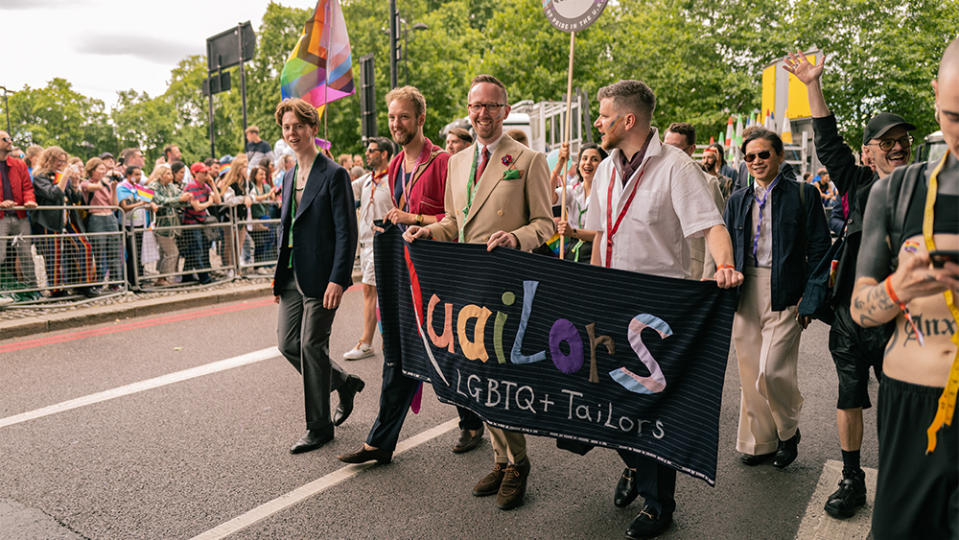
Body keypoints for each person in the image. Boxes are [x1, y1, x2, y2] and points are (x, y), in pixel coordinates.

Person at [583, 80, 743, 539]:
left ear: (627, 120)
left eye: (604, 114)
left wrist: (726, 265)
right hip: (608, 303)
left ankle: (658, 507)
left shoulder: (677, 168)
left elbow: (711, 226)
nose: (598, 122)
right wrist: (591, 288)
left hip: (655, 314)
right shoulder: (606, 170)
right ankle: (633, 463)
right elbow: (599, 236)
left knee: (649, 410)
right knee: (595, 405)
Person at [406, 75, 554, 510]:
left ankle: (519, 464)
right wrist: (427, 230)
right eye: (475, 106)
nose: (482, 113)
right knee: (477, 381)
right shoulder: (456, 162)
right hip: (465, 287)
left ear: (505, 111)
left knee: (501, 380)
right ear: (468, 110)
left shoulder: (528, 160)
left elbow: (545, 223)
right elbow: (455, 222)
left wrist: (516, 238)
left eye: (491, 106)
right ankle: (499, 457)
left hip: (506, 288)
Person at [784, 49, 915, 520]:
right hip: (850, 315)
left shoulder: (926, 187)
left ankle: (906, 478)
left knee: (903, 401)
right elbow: (828, 142)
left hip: (905, 318)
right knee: (849, 396)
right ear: (869, 151)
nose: (897, 146)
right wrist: (811, 86)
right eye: (886, 140)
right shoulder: (857, 182)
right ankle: (852, 479)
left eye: (903, 139)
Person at [337, 85, 487, 467]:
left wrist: (413, 219)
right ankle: (380, 443)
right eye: (391, 117)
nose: (396, 123)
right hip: (407, 271)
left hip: (442, 276)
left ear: (421, 119)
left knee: (449, 356)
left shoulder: (442, 162)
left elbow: (455, 221)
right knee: (398, 355)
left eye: (403, 116)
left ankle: (472, 422)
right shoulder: (395, 166)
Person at [849, 37, 959, 539]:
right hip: (912, 404)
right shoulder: (897, 190)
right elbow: (861, 310)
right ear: (936, 94)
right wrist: (899, 287)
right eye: (954, 116)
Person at [724, 129, 830, 472]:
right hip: (744, 289)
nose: (756, 161)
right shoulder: (736, 199)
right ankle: (760, 441)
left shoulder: (804, 194)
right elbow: (725, 248)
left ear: (779, 157)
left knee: (772, 371)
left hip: (786, 290)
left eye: (764, 155)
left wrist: (810, 298)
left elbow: (819, 250)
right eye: (750, 156)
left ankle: (787, 432)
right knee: (749, 371)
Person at [272, 97, 364, 454]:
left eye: (298, 126)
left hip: (324, 276)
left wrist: (339, 279)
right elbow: (285, 229)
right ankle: (343, 381)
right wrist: (278, 276)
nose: (292, 133)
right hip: (292, 274)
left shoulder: (334, 173)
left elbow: (347, 232)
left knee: (312, 345)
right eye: (286, 127)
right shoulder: (288, 175)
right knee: (288, 344)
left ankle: (319, 427)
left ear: (313, 129)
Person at [343, 137, 392, 361]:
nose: (368, 154)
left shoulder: (394, 178)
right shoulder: (366, 179)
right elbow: (343, 186)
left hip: (383, 242)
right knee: (379, 292)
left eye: (372, 151)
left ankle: (366, 342)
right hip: (365, 244)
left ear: (384, 154)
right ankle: (388, 340)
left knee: (369, 290)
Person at [663, 122, 726, 280]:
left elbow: (715, 230)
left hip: (693, 270)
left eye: (676, 148)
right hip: (661, 266)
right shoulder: (653, 178)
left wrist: (709, 275)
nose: (669, 153)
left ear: (691, 149)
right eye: (665, 147)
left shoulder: (708, 182)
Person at [554, 142, 606, 263]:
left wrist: (572, 232)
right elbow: (548, 196)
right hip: (572, 252)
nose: (588, 163)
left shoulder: (607, 194)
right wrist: (560, 164)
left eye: (594, 159)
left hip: (595, 254)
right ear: (578, 164)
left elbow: (603, 235)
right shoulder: (573, 190)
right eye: (584, 158)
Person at [0, 130, 38, 292]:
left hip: (20, 215)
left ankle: (32, 290)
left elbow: (27, 187)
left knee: (26, 255)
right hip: (1, 217)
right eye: (5, 139)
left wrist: (29, 200)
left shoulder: (19, 164)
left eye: (10, 138)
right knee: (0, 255)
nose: (10, 141)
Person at [30, 146, 72, 294]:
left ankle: (62, 285)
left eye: (64, 161)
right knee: (52, 256)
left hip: (61, 220)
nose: (61, 164)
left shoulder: (59, 174)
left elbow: (68, 195)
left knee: (60, 255)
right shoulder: (40, 176)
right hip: (47, 221)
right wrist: (65, 177)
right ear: (49, 160)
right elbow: (53, 194)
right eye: (58, 161)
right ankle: (55, 289)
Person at [148, 165, 192, 286]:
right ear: (161, 175)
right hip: (162, 225)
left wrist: (187, 197)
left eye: (171, 174)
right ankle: (164, 278)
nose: (171, 176)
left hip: (173, 225)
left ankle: (163, 278)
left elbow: (180, 195)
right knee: (172, 252)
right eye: (167, 174)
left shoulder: (172, 186)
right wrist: (179, 199)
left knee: (165, 253)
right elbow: (160, 200)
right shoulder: (153, 185)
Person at [81, 157, 121, 289]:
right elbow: (95, 187)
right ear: (92, 170)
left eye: (105, 169)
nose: (104, 171)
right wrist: (107, 179)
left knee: (114, 252)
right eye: (101, 169)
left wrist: (114, 188)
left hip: (110, 218)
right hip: (96, 219)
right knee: (98, 253)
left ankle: (115, 282)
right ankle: (97, 283)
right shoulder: (86, 184)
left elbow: (115, 206)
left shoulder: (108, 185)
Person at [180, 162, 222, 284]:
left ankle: (186, 276)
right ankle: (204, 277)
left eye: (207, 172)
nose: (206, 174)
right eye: (203, 172)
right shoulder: (191, 186)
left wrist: (212, 183)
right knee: (197, 249)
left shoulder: (205, 186)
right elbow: (197, 207)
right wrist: (209, 202)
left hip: (201, 222)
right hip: (192, 222)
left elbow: (218, 200)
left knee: (198, 249)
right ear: (195, 173)